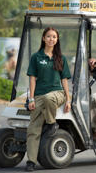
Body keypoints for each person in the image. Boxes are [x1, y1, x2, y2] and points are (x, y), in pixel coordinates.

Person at [25, 27, 71, 172]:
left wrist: (68, 99)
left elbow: (64, 80)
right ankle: (31, 161)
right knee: (33, 129)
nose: (52, 39)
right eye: (49, 36)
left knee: (49, 97)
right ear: (44, 38)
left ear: (57, 40)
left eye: (54, 37)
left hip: (57, 93)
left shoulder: (61, 58)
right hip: (39, 95)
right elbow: (32, 79)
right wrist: (31, 99)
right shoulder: (36, 57)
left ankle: (51, 123)